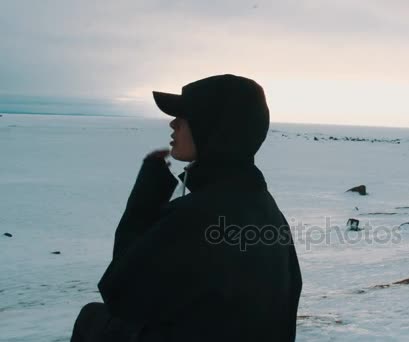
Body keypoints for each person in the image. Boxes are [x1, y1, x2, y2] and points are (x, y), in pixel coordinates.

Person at [71, 74, 302, 341]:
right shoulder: (264, 208)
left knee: (93, 320)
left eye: (184, 116)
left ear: (213, 129)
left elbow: (122, 294)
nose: (173, 123)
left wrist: (147, 196)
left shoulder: (201, 214)